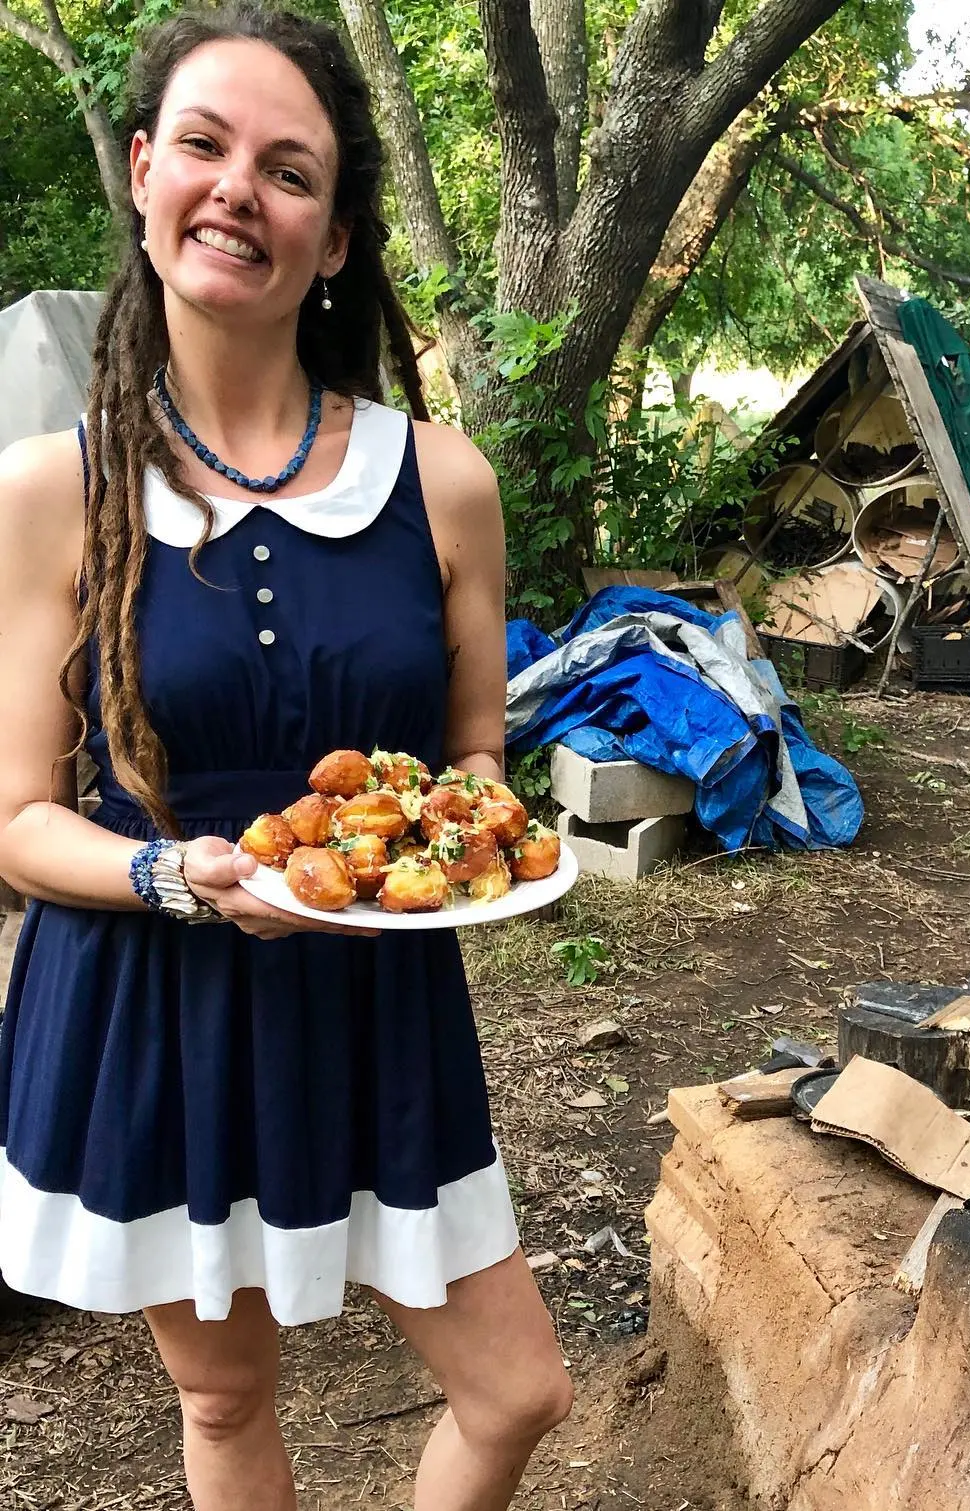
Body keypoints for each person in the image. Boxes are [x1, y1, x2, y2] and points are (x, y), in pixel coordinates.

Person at [0, 7, 572, 1509]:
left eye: (290, 169)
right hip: (155, 1001)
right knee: (226, 1391)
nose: (237, 189)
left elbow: (473, 757)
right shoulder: (53, 490)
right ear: (144, 172)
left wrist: (477, 838)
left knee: (517, 1389)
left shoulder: (440, 481)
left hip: (376, 998)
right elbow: (16, 820)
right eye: (204, 145)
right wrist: (175, 875)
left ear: (333, 240)